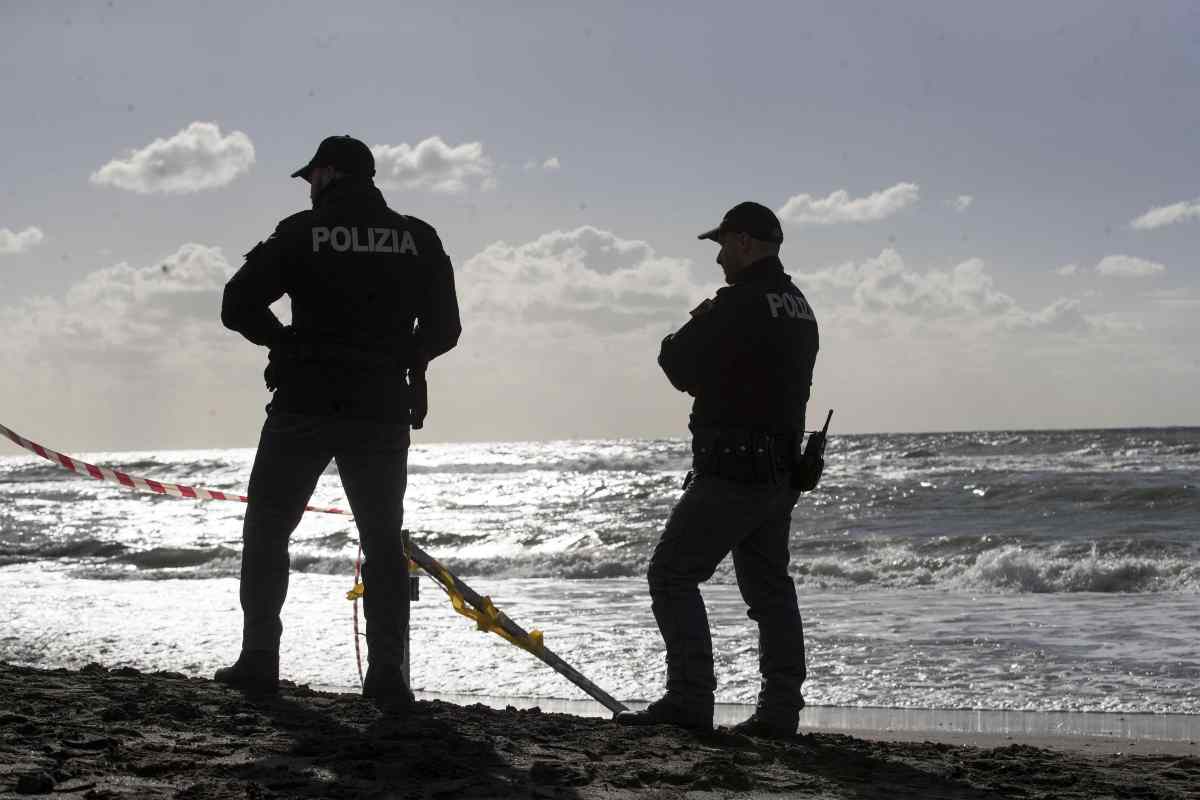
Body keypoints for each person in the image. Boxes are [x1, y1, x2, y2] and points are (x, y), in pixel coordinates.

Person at [216, 135, 461, 707]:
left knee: (269, 530)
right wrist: (409, 360)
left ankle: (258, 660)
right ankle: (388, 675)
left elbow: (236, 303)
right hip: (379, 407)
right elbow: (446, 329)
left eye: (310, 179)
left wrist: (285, 344)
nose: (308, 190)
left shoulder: (301, 233)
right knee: (381, 541)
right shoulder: (417, 237)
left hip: (304, 402)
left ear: (327, 175)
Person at [616, 202, 819, 737]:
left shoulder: (740, 303)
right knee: (770, 591)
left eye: (724, 245)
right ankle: (779, 712)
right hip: (780, 471)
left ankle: (689, 698)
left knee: (671, 573)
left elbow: (677, 361)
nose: (720, 257)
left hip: (734, 469)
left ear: (747, 244)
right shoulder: (798, 305)